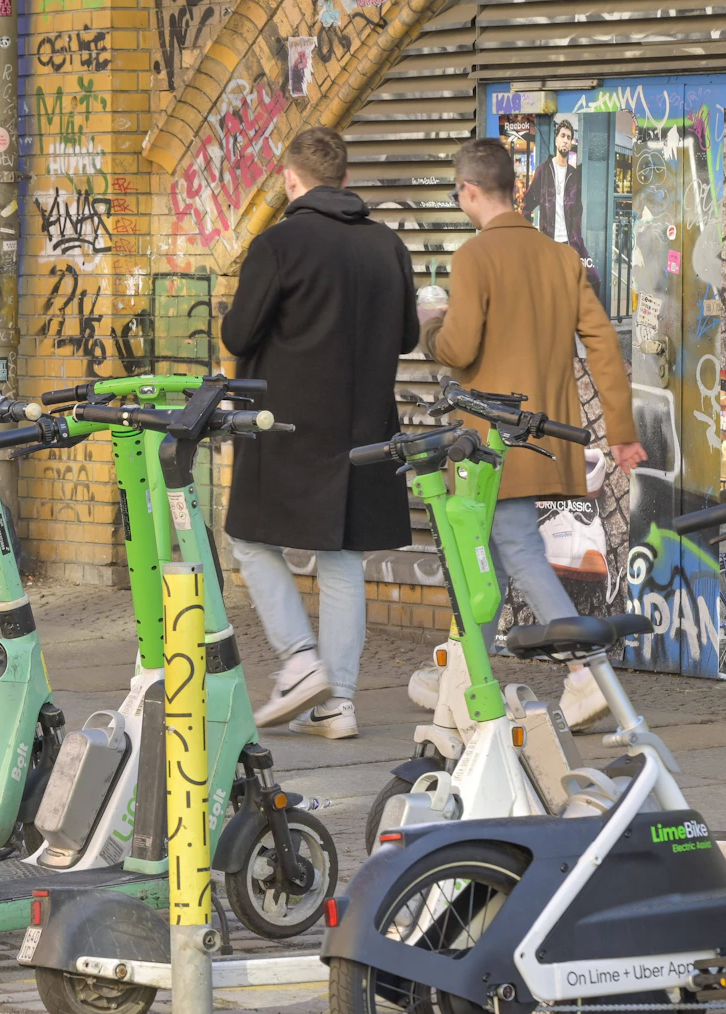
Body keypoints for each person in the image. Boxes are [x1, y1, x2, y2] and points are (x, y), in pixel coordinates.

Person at [418, 137, 646, 729]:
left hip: (488, 439)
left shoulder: (473, 258)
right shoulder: (561, 257)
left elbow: (461, 346)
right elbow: (602, 344)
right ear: (513, 187)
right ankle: (463, 682)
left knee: (514, 546)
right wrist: (619, 430)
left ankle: (584, 675)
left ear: (469, 191)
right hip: (540, 436)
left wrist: (431, 332)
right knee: (486, 555)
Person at [220, 126, 418, 738]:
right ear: (346, 180)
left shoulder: (278, 244)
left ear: (290, 179)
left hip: (285, 425)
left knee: (249, 541)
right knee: (341, 563)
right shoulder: (388, 245)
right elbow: (408, 338)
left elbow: (237, 336)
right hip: (364, 430)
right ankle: (340, 704)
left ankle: (299, 660)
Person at [520, 119, 587, 262]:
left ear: (571, 143)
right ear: (556, 140)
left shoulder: (574, 175)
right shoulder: (544, 170)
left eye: (569, 138)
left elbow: (577, 212)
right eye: (562, 136)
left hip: (568, 245)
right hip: (547, 244)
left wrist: (575, 246)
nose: (565, 140)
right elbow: (527, 204)